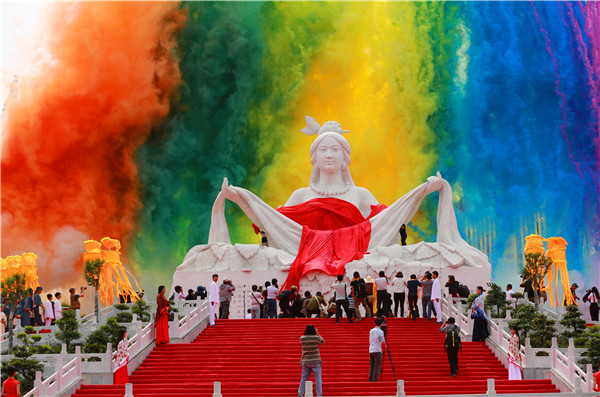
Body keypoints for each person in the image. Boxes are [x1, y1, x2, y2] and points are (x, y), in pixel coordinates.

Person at [211, 117, 488, 292]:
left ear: (346, 159)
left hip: (359, 246)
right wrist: (240, 197)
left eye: (335, 149)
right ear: (314, 158)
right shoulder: (300, 195)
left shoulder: (361, 194)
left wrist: (424, 191)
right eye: (323, 149)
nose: (329, 155)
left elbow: (389, 222)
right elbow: (272, 224)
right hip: (304, 245)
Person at [297, 324, 324, 397]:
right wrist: (317, 333)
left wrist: (301, 359)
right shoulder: (316, 338)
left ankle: (300, 393)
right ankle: (319, 394)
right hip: (316, 361)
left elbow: (303, 350)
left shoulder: (302, 338)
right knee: (318, 379)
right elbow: (322, 342)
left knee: (304, 378)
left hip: (305, 361)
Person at [369, 317, 387, 382]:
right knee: (377, 365)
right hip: (377, 350)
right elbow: (383, 341)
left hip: (371, 350)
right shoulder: (380, 331)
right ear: (381, 324)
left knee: (372, 366)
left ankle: (370, 379)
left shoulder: (371, 330)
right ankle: (375, 379)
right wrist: (385, 345)